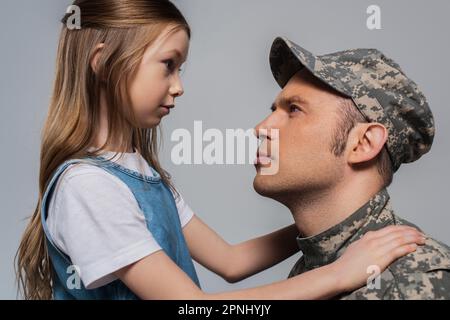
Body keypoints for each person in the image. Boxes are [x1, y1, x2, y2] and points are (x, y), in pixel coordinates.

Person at [15, 1, 425, 300]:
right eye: (168, 64)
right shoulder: (88, 186)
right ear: (103, 63)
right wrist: (340, 274)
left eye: (181, 69)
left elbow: (231, 263)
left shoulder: (143, 175)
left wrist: (333, 222)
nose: (178, 86)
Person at [252, 36, 450, 299]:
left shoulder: (411, 285)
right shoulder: (314, 267)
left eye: (294, 110)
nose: (261, 128)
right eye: (274, 109)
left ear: (363, 143)